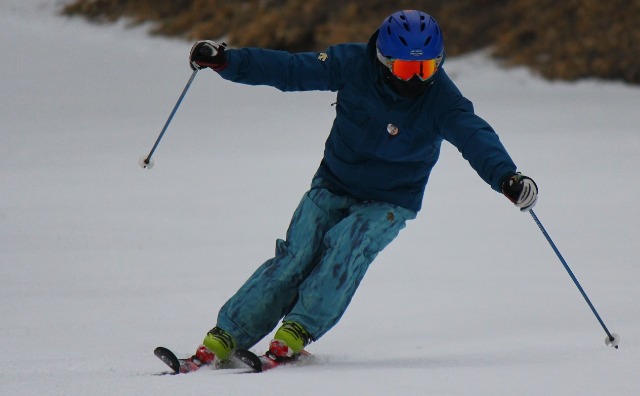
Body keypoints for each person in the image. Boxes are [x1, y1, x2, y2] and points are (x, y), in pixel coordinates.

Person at [181, 9, 538, 371]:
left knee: (347, 247)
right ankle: (229, 333)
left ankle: (297, 330)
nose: (415, 80)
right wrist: (228, 60)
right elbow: (290, 69)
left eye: (425, 69)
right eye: (404, 70)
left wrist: (506, 176)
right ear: (383, 60)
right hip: (334, 182)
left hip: (390, 200)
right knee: (296, 256)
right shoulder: (352, 64)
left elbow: (474, 135)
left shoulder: (442, 99)